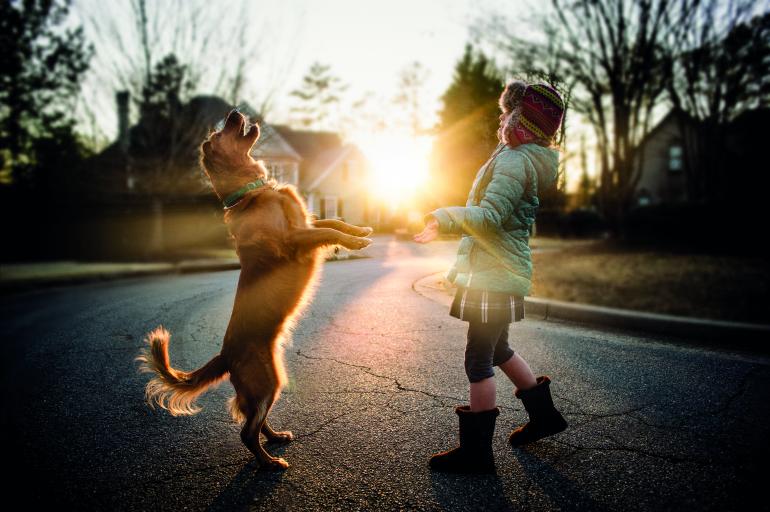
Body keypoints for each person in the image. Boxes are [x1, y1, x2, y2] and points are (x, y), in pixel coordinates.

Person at [414, 80, 568, 473]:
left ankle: (477, 455)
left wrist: (442, 216)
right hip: (498, 270)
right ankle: (544, 417)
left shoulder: (515, 161)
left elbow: (490, 218)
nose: (501, 117)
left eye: (507, 111)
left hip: (492, 273)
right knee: (498, 349)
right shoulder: (522, 157)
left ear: (521, 118)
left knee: (478, 357)